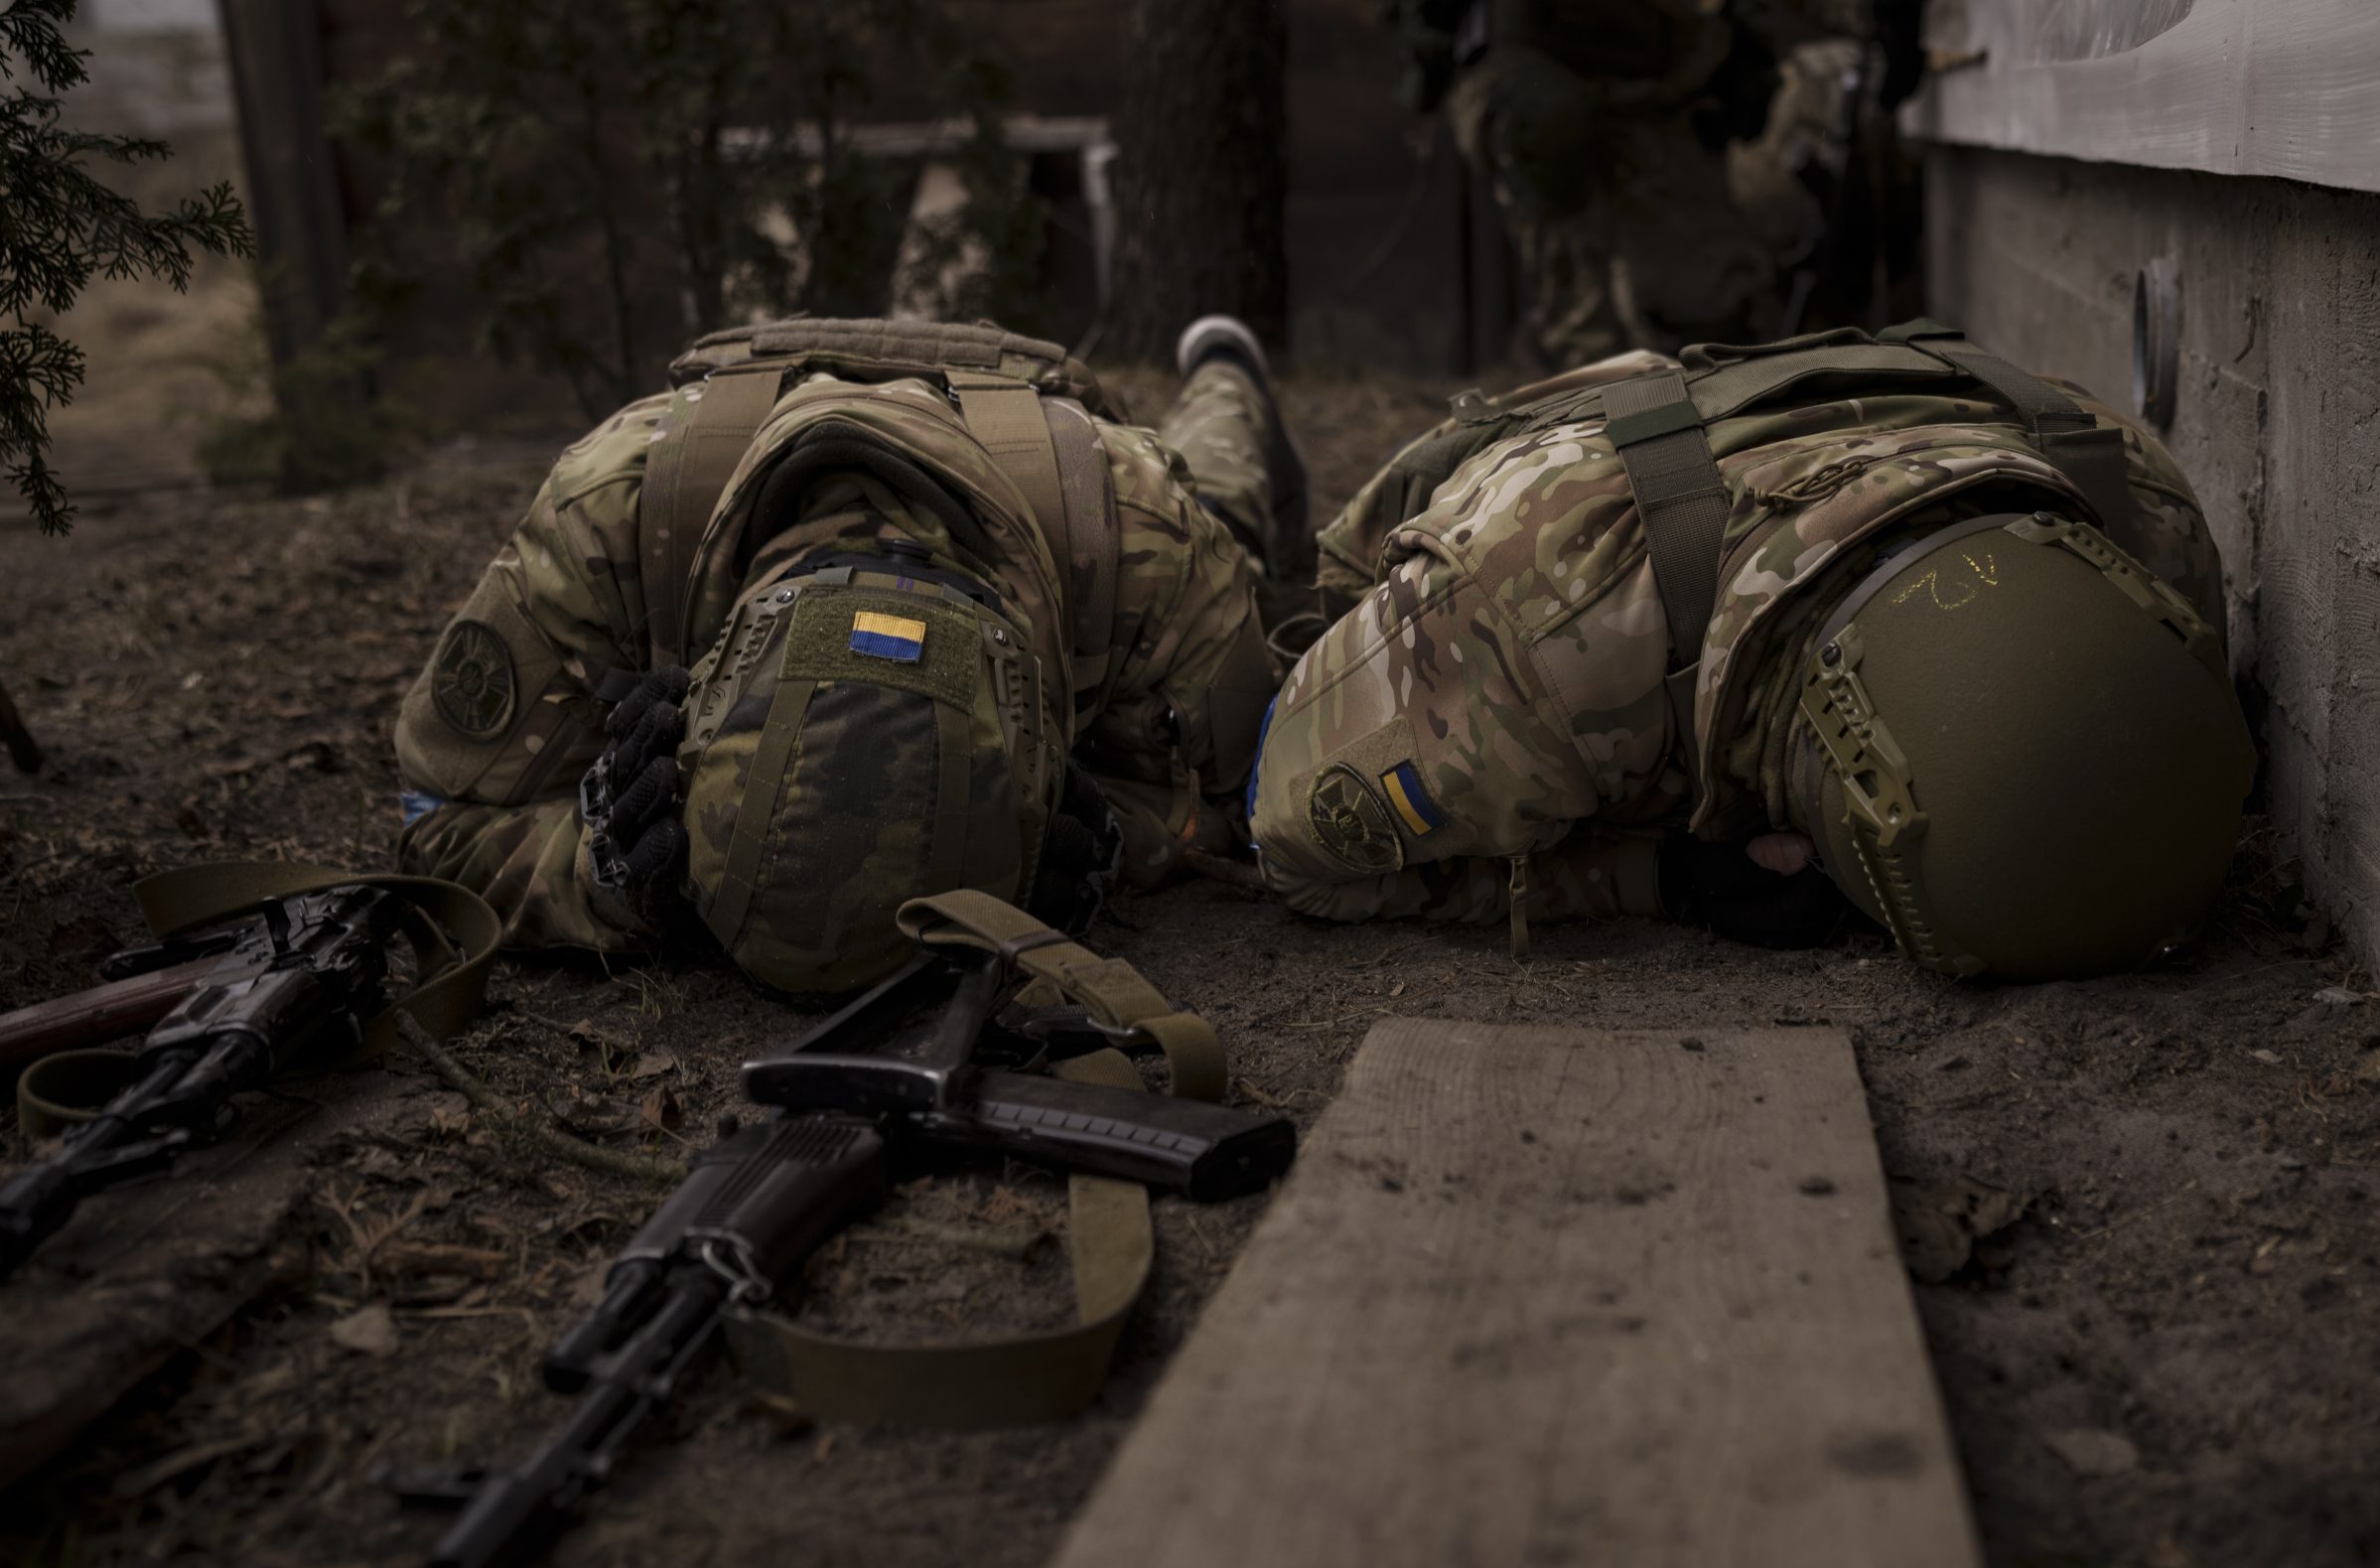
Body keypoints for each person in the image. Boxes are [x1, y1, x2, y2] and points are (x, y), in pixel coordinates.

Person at [1248, 322, 2258, 982]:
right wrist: (1656, 878)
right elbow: (1288, 845)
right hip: (1529, 502)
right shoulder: (1534, 661)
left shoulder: (2141, 514)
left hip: (1749, 428)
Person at [394, 315, 1303, 993]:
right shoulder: (607, 522)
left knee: (1225, 484)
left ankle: (1226, 370)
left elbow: (1235, 801)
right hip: (1009, 499)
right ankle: (1222, 376)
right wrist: (607, 870)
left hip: (1067, 487)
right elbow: (432, 811)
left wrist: (1102, 837)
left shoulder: (1149, 541)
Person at [1389, 0, 1917, 367]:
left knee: (1712, 319)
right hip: (1529, 71)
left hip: (1659, 88)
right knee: (1549, 129)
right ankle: (1574, 364)